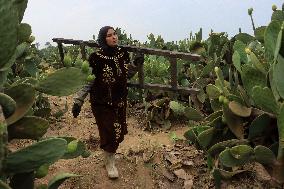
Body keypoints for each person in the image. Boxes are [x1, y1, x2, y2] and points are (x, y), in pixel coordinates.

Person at [71, 26, 144, 179]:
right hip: (101, 102)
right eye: (109, 35)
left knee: (117, 132)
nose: (114, 37)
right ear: (103, 39)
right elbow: (88, 82)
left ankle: (109, 156)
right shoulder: (95, 58)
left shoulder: (122, 54)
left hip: (119, 102)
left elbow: (127, 75)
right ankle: (110, 163)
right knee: (109, 131)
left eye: (115, 34)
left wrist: (135, 65)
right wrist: (78, 100)